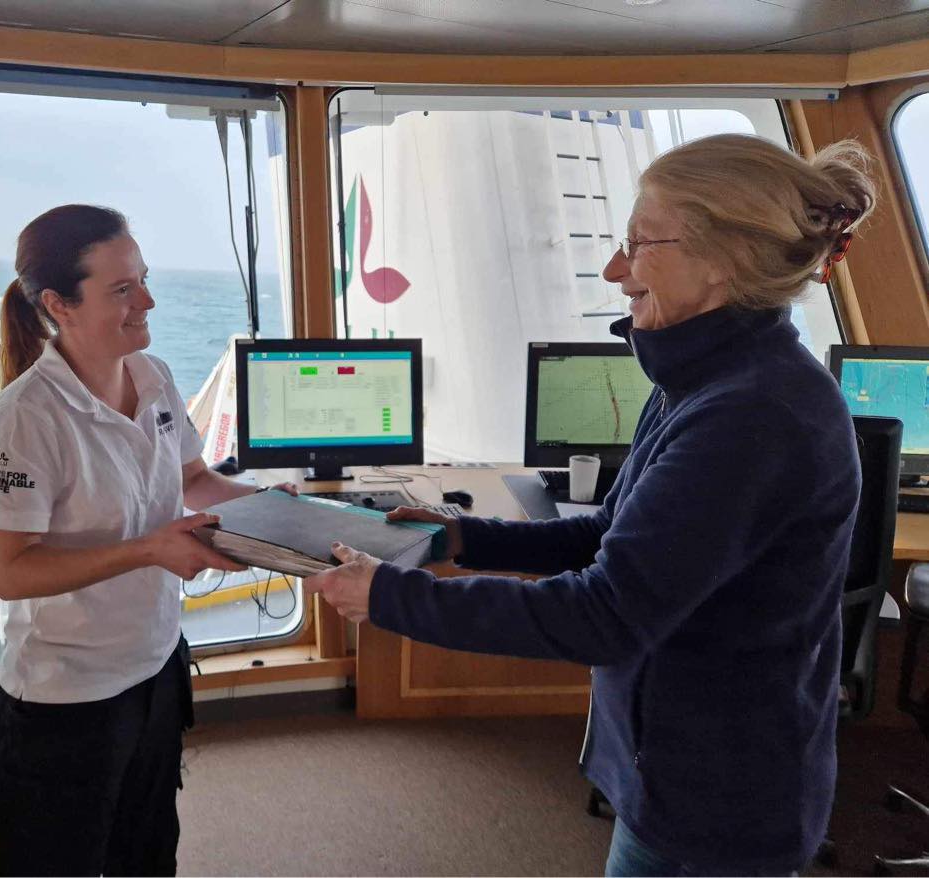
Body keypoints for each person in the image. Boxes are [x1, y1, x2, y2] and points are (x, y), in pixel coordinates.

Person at [307, 134, 877, 876]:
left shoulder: (753, 415)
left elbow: (604, 614)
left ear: (722, 261)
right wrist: (461, 539)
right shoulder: (705, 381)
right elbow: (612, 534)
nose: (614, 270)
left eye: (637, 246)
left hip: (718, 798)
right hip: (673, 766)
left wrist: (391, 597)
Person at [0, 204, 296, 877]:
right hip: (67, 694)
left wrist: (267, 508)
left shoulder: (153, 377)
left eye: (143, 279)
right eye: (123, 289)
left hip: (153, 665)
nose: (147, 300)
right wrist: (149, 549)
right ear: (60, 304)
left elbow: (195, 479)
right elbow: (10, 572)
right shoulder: (26, 417)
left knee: (147, 854)